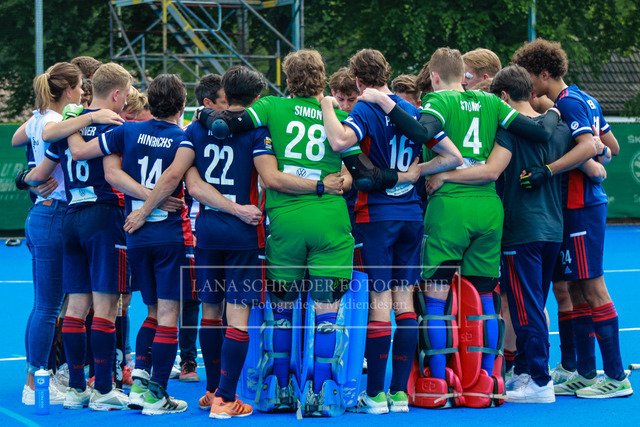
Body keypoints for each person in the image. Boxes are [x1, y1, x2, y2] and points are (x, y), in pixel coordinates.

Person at [124, 64, 347, 418]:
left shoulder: (197, 128)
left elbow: (190, 183)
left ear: (225, 94)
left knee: (211, 311)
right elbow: (271, 177)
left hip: (208, 231)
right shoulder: (258, 131)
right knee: (238, 317)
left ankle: (211, 391)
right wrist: (241, 208)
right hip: (244, 232)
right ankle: (226, 398)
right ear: (256, 98)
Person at [358, 47, 560, 390]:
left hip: (450, 206)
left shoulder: (438, 101)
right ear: (464, 76)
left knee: (435, 298)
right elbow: (540, 132)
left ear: (434, 77)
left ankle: (438, 379)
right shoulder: (492, 102)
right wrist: (553, 110)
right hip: (489, 207)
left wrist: (385, 102)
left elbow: (421, 132)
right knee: (486, 298)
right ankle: (486, 379)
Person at [321, 48, 461, 414]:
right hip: (411, 215)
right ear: (388, 73)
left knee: (380, 304)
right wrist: (416, 173)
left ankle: (375, 395)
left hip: (377, 217)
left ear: (357, 80)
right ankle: (399, 394)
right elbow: (454, 157)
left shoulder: (365, 109)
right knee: (405, 304)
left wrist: (326, 106)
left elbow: (339, 143)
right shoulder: (412, 110)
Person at [424, 65, 575, 402]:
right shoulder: (559, 126)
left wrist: (445, 176)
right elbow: (593, 150)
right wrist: (554, 112)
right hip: (553, 226)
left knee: (524, 307)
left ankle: (539, 380)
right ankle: (524, 371)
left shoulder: (508, 132)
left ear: (503, 96)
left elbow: (491, 170)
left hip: (522, 227)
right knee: (534, 302)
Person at [68, 73, 196, 414]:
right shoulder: (184, 139)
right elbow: (177, 180)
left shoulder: (126, 130)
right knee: (168, 313)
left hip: (135, 236)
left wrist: (73, 119)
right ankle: (157, 395)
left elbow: (87, 156)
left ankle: (139, 385)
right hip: (169, 234)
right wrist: (150, 208)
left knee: (151, 311)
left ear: (148, 101)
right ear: (182, 105)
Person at [512, 38, 632, 398]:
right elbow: (610, 148)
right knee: (575, 288)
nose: (527, 85)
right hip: (574, 206)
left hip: (582, 206)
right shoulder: (583, 98)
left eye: (529, 76)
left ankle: (616, 377)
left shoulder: (567, 103)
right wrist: (596, 159)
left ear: (544, 74)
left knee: (592, 287)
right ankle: (584, 371)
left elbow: (590, 148)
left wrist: (549, 169)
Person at [24, 63, 134, 410]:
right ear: (116, 94)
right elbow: (115, 175)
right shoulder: (115, 125)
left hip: (70, 217)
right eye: (125, 95)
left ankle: (75, 388)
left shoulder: (66, 127)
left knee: (74, 307)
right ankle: (103, 390)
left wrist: (28, 181)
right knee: (105, 308)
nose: (125, 102)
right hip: (104, 217)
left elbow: (38, 174)